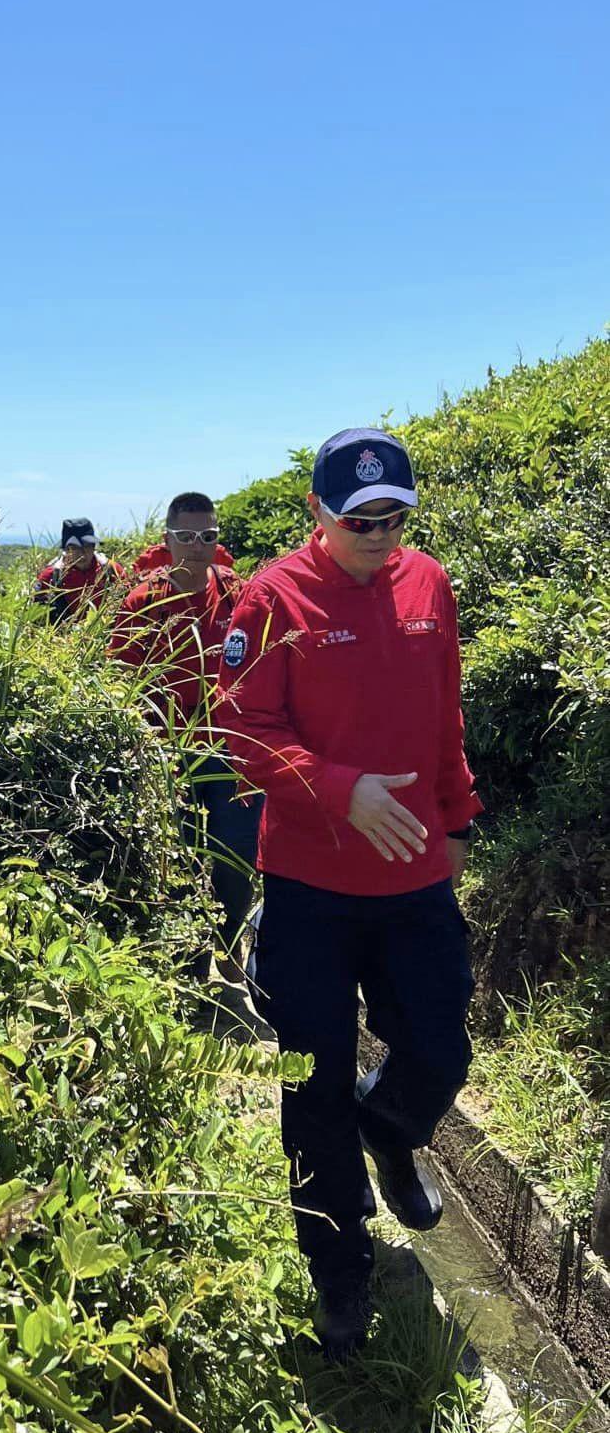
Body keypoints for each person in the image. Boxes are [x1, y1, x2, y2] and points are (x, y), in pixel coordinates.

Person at [216, 428, 482, 1360]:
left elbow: (444, 715)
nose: (377, 535)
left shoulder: (429, 585)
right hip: (311, 886)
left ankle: (390, 1126)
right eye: (358, 519)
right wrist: (341, 790)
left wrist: (458, 817)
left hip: (413, 875)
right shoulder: (272, 598)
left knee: (440, 1047)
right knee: (312, 1082)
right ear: (318, 514)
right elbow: (241, 730)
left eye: (392, 518)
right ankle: (339, 1269)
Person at [110, 492, 262, 969]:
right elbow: (120, 683)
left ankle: (229, 946)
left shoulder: (237, 593)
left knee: (238, 856)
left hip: (233, 750)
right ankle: (192, 965)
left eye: (208, 536)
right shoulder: (144, 601)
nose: (197, 546)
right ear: (167, 539)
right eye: (186, 536)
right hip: (169, 755)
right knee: (182, 859)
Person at [33, 519, 125, 624]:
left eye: (87, 546)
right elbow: (38, 615)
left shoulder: (111, 570)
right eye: (75, 548)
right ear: (66, 550)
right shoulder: (50, 577)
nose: (82, 553)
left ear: (93, 547)